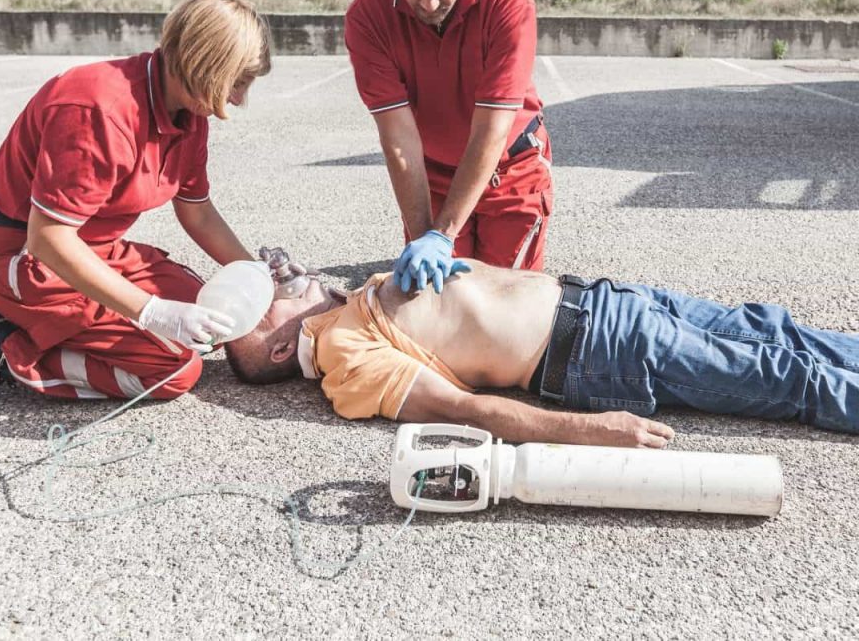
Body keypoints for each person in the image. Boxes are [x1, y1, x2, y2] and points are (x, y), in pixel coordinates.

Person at [0, 0, 276, 418]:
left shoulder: (188, 113)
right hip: (24, 257)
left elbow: (198, 211)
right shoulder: (98, 108)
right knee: (172, 370)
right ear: (205, 64)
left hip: (93, 248)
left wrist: (258, 275)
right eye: (239, 81)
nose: (241, 98)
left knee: (214, 322)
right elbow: (48, 239)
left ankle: (33, 329)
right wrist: (151, 311)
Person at [224, 261, 859, 446]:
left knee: (778, 330)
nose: (275, 281)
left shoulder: (347, 302)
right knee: (789, 379)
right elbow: (467, 411)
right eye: (267, 297)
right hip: (597, 348)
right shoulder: (345, 359)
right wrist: (591, 432)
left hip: (608, 301)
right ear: (282, 344)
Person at [345, 0, 551, 294]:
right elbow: (399, 140)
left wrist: (444, 236)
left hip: (510, 169)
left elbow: (491, 130)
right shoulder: (367, 16)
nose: (429, 3)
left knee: (507, 301)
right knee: (436, 302)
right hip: (431, 175)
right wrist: (425, 237)